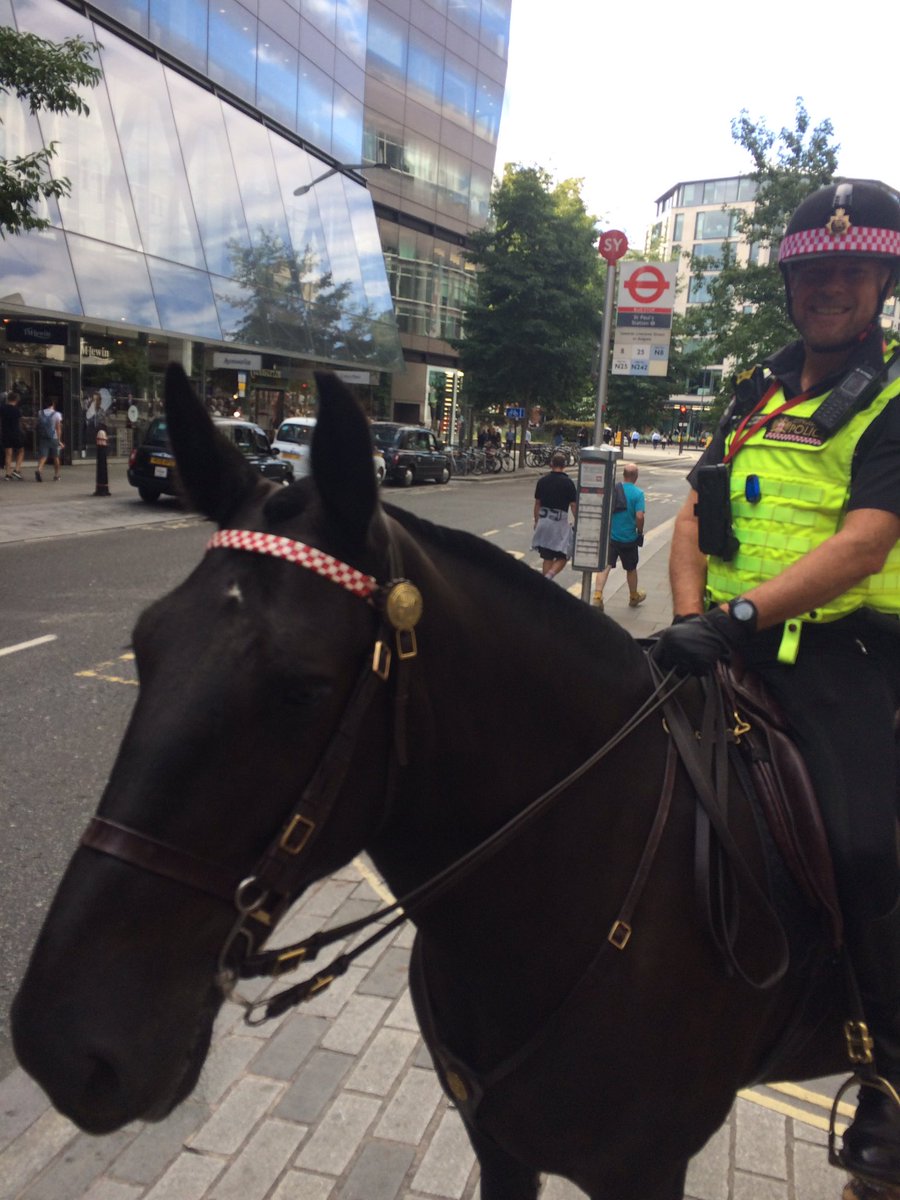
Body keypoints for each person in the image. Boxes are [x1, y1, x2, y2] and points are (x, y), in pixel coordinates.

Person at [652, 180, 900, 1191]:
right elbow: (693, 520)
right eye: (811, 272)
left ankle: (885, 1079)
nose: (828, 286)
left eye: (848, 270)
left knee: (864, 844)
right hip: (722, 646)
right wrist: (686, 622)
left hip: (844, 660)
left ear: (881, 281)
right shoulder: (756, 388)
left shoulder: (892, 398)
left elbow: (866, 543)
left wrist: (742, 618)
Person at [592, 463, 646, 610]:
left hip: (611, 537)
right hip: (629, 539)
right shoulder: (638, 494)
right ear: (636, 476)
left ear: (624, 475)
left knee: (605, 566)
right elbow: (639, 516)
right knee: (631, 568)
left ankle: (597, 596)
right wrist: (639, 531)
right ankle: (633, 596)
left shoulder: (613, 490)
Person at [532, 450, 577, 580]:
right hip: (558, 523)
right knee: (564, 555)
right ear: (564, 466)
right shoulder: (568, 483)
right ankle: (549, 577)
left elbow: (537, 503)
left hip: (543, 521)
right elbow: (573, 505)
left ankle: (545, 585)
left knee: (547, 556)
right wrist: (578, 520)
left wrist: (536, 521)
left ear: (551, 464)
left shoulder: (542, 481)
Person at [35, 402, 63, 482]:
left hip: (43, 437)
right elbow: (58, 428)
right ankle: (57, 475)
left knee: (43, 456)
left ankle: (39, 470)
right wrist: (59, 440)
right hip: (53, 438)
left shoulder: (40, 413)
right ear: (53, 404)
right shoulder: (57, 414)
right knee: (56, 457)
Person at [1, 392, 26, 480]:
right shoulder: (17, 410)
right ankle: (16, 470)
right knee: (21, 451)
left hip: (5, 433)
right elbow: (20, 423)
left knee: (8, 453)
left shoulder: (2, 408)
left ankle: (8, 474)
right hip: (16, 433)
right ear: (16, 400)